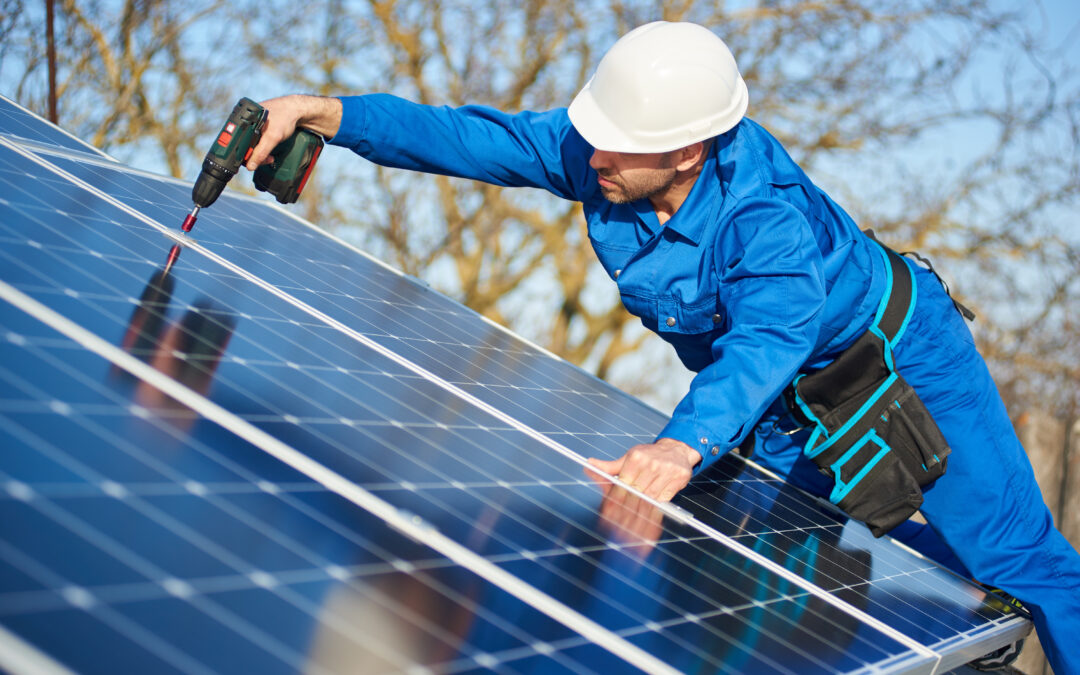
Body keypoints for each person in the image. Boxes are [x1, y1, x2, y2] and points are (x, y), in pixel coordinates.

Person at [246, 21, 1079, 673]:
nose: (591, 156)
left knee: (1020, 560)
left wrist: (681, 444)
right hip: (779, 405)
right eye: (593, 135)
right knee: (768, 558)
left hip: (897, 363)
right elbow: (474, 139)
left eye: (615, 144)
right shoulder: (606, 156)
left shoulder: (766, 220)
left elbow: (769, 337)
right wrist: (326, 114)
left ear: (688, 149)